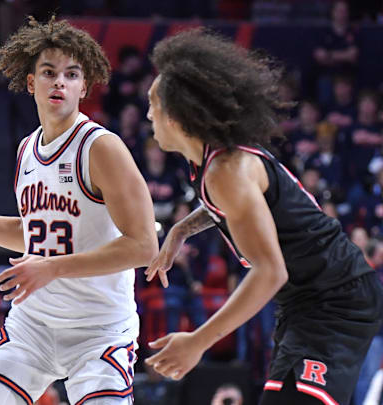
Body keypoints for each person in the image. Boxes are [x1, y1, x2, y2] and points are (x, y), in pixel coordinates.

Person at [0, 16, 158, 405]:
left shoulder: (101, 148)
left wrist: (53, 267)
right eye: (49, 72)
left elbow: (144, 246)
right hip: (33, 325)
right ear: (31, 82)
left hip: (99, 330)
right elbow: (36, 231)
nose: (59, 81)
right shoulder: (27, 149)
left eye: (71, 73)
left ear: (83, 86)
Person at [143, 29, 383, 405]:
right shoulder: (218, 162)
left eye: (152, 104)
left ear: (175, 115)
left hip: (334, 298)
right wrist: (181, 230)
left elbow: (271, 271)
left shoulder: (227, 170)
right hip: (307, 300)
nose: (147, 114)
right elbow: (232, 207)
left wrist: (198, 342)